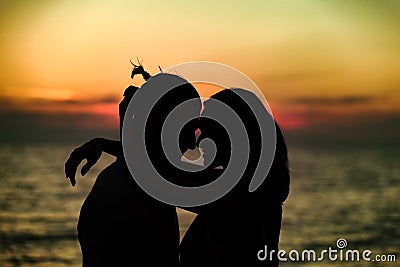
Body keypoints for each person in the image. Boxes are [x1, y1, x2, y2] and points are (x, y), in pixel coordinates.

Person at [65, 73, 202, 267]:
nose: (192, 143)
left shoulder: (129, 181)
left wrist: (105, 142)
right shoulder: (143, 192)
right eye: (189, 127)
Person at [179, 88, 290, 267]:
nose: (199, 142)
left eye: (207, 130)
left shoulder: (246, 193)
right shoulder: (255, 187)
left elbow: (165, 183)